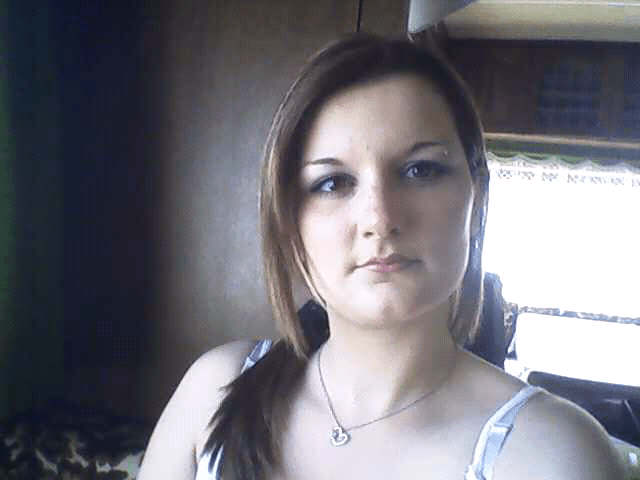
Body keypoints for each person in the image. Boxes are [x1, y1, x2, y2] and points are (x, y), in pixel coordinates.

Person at [138, 34, 625, 480]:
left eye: (420, 170)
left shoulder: (554, 454)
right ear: (289, 221)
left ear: (475, 194)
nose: (379, 218)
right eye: (333, 183)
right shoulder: (214, 391)